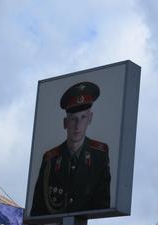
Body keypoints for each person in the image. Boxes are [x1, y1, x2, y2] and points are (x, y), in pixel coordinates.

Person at [31, 81, 112, 216]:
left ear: (90, 119)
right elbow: (37, 209)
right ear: (65, 123)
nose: (77, 126)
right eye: (73, 119)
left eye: (83, 117)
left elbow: (102, 205)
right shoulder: (50, 158)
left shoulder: (100, 155)